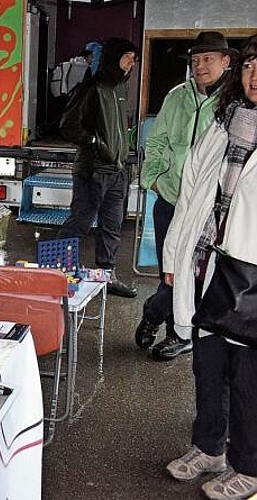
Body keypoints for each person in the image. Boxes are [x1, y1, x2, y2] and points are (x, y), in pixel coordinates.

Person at [162, 34, 257, 500]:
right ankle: (209, 448)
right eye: (250, 66)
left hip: (252, 276)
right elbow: (192, 193)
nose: (255, 75)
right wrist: (173, 257)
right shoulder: (224, 123)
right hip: (208, 263)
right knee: (208, 364)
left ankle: (250, 466)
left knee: (247, 376)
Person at [136, 31, 236, 361]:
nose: (200, 66)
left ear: (226, 61)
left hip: (212, 210)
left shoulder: (235, 104)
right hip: (171, 201)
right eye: (195, 60)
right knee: (172, 272)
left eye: (208, 59)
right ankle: (157, 315)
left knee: (201, 277)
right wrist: (151, 178)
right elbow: (157, 141)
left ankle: (176, 333)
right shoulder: (176, 97)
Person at [57, 37, 139, 298]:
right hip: (92, 170)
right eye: (127, 57)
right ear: (114, 57)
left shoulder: (120, 89)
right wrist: (94, 141)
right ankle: (58, 272)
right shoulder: (94, 87)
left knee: (112, 226)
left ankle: (107, 276)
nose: (131, 63)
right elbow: (68, 125)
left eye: (134, 59)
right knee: (79, 222)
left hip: (116, 171)